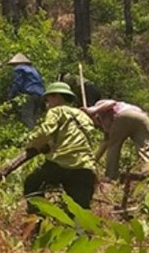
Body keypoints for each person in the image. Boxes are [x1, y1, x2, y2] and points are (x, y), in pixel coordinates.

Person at [22, 81, 97, 211]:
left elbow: (45, 132)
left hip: (61, 163)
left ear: (58, 97)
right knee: (81, 211)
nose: (46, 102)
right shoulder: (82, 115)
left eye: (48, 98)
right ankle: (79, 230)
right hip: (86, 166)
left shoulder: (56, 111)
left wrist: (31, 144)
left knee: (32, 184)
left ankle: (40, 218)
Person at [83, 98, 149, 181]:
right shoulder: (107, 125)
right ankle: (148, 173)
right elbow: (104, 144)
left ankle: (111, 176)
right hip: (142, 118)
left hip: (124, 115)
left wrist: (93, 110)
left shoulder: (99, 108)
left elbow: (111, 103)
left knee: (114, 147)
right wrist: (92, 162)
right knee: (146, 146)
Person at [7, 53, 46, 129]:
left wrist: (11, 96)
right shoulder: (33, 69)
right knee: (34, 116)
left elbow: (17, 83)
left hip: (29, 93)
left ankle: (32, 137)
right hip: (40, 93)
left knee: (26, 116)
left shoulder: (19, 68)